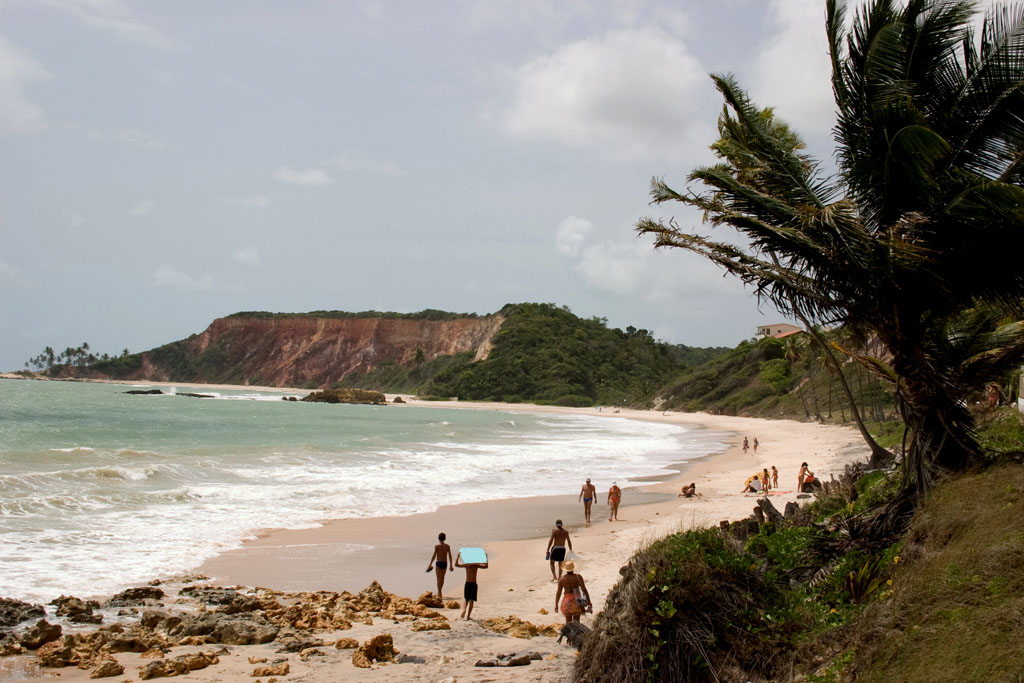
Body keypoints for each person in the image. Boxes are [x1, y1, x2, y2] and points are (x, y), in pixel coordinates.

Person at [554, 560, 592, 625]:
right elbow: (584, 590)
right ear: (573, 568)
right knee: (576, 623)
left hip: (567, 600)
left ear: (565, 569)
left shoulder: (562, 579)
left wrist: (556, 605)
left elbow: (558, 593)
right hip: (578, 599)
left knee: (568, 623)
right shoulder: (578, 577)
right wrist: (589, 602)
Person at [455, 553, 488, 620]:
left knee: (466, 599)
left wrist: (458, 557)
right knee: (471, 601)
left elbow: (456, 565)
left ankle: (464, 610)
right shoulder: (476, 565)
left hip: (467, 583)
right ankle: (468, 616)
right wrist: (486, 558)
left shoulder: (467, 565)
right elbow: (485, 566)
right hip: (473, 584)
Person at [426, 532, 454, 600]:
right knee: (442, 578)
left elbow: (434, 555)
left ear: (438, 538)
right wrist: (451, 565)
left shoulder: (437, 546)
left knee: (439, 579)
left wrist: (430, 564)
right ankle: (439, 592)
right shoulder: (447, 546)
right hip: (445, 563)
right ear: (445, 538)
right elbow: (450, 556)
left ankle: (439, 593)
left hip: (439, 563)